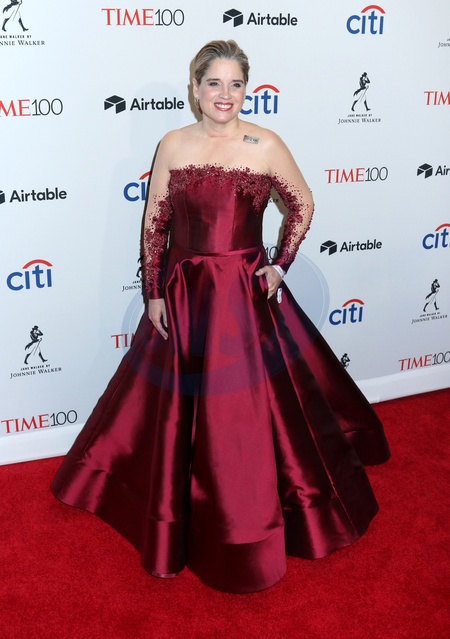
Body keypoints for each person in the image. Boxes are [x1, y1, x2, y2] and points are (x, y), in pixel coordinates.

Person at [51, 40, 390, 594]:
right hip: (184, 290)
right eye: (214, 83)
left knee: (244, 411)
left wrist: (281, 263)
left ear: (246, 89)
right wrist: (153, 291)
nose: (224, 95)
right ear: (195, 87)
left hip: (241, 292)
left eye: (235, 84)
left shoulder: (265, 143)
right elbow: (154, 222)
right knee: (170, 409)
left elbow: (302, 202)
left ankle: (253, 515)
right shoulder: (173, 143)